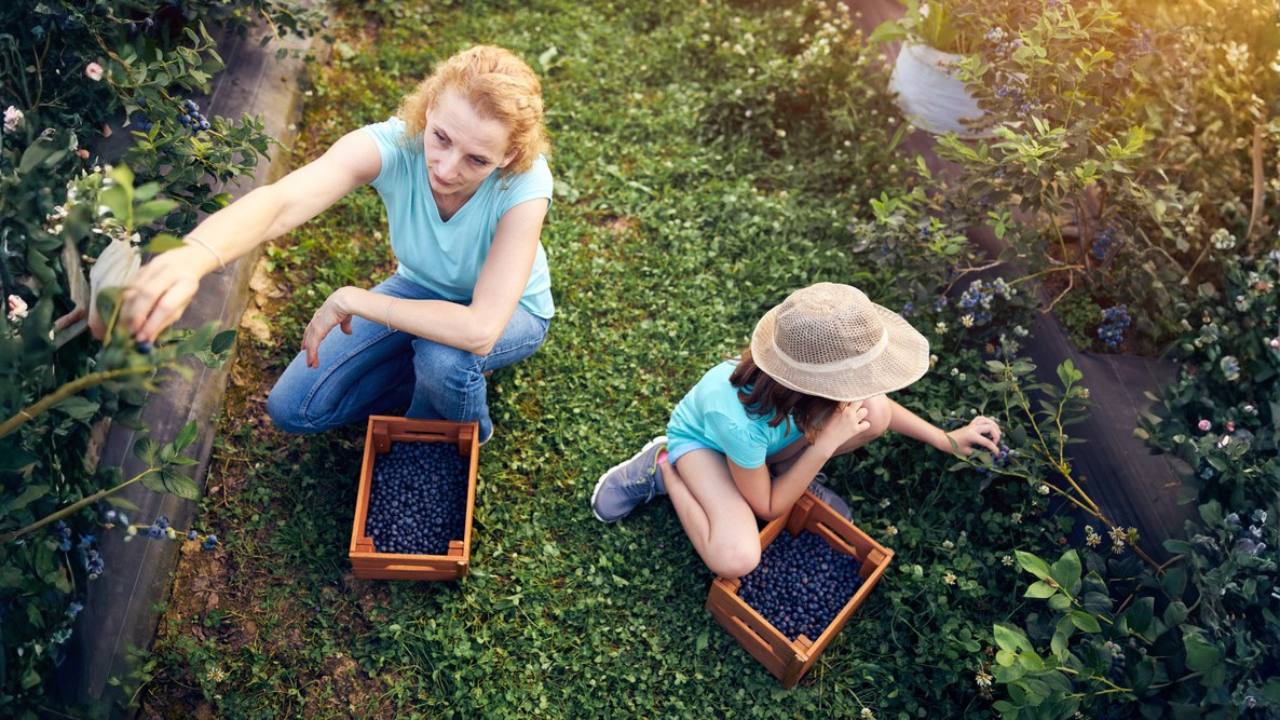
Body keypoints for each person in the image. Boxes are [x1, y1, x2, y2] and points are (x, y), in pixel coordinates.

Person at [118, 45, 555, 443]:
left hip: (512, 311)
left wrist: (356, 300)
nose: (445, 167)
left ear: (508, 157)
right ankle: (425, 367)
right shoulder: (394, 144)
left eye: (477, 159)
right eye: (440, 137)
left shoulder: (524, 184)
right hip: (421, 288)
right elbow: (281, 201)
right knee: (294, 408)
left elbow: (479, 329)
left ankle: (463, 420)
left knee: (447, 358)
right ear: (429, 108)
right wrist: (193, 255)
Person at [591, 282, 1002, 578]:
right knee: (736, 559)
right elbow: (767, 508)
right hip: (707, 447)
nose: (863, 388)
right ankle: (665, 468)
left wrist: (946, 439)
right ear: (822, 388)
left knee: (873, 413)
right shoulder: (737, 420)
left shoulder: (809, 384)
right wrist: (822, 447)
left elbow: (881, 408)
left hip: (767, 444)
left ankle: (787, 474)